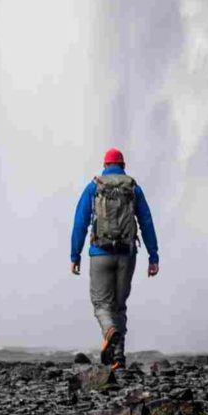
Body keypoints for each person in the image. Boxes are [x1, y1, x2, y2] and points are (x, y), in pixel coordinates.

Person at [69, 147, 160, 370]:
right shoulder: (133, 188)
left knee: (101, 304)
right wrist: (153, 255)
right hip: (127, 255)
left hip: (100, 254)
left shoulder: (94, 186)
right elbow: (146, 222)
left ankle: (109, 330)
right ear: (123, 165)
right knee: (119, 306)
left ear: (105, 164)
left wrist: (75, 255)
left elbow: (80, 222)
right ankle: (118, 358)